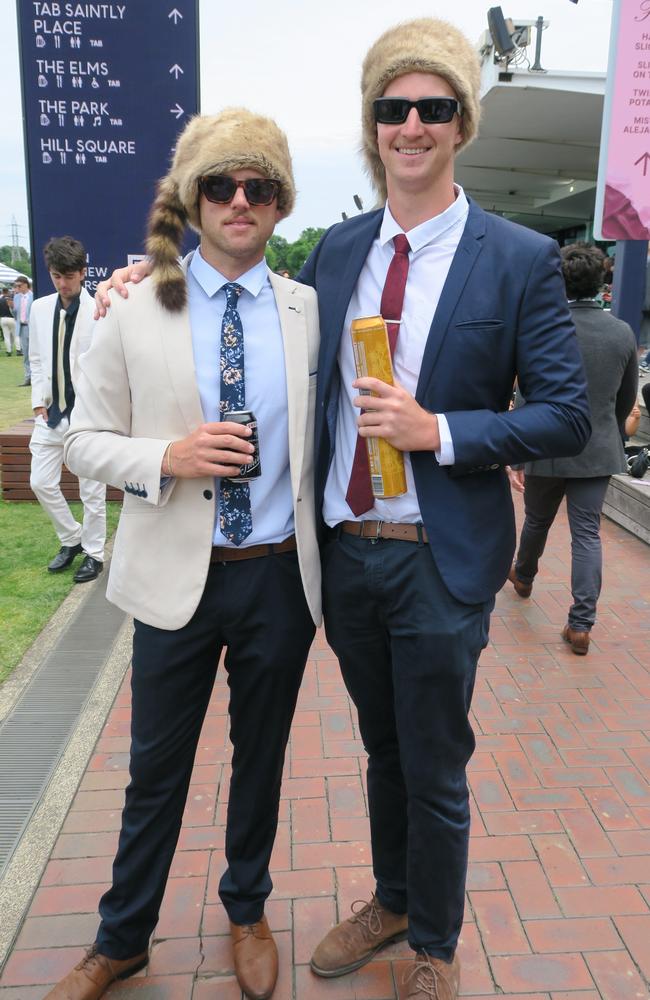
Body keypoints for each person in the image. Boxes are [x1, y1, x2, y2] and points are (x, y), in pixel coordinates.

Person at [94, 20, 590, 998]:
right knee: (380, 744)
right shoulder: (337, 251)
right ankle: (393, 895)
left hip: (441, 553)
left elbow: (563, 412)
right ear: (371, 126)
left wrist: (438, 431)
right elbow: (244, 308)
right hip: (345, 557)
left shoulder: (518, 256)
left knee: (435, 759)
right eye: (391, 108)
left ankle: (435, 945)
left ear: (459, 123)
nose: (410, 125)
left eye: (432, 107)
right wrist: (130, 287)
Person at [49, 109, 320, 1000]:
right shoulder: (129, 306)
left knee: (262, 758)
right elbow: (82, 438)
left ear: (279, 203)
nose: (239, 201)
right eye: (220, 185)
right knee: (154, 770)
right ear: (193, 199)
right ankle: (122, 935)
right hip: (175, 578)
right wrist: (165, 458)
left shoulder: (307, 309)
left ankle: (246, 908)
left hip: (278, 575)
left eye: (259, 187)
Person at [507, 243, 637, 655]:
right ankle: (581, 624)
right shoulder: (621, 331)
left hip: (546, 444)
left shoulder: (543, 328)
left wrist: (518, 454)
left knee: (536, 520)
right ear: (602, 281)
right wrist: (609, 433)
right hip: (596, 447)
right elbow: (626, 396)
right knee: (587, 534)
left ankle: (524, 576)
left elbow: (526, 394)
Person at [29, 237, 106, 582]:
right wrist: (36, 400)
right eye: (57, 276)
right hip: (49, 414)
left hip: (87, 416)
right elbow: (35, 357)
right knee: (40, 482)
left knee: (92, 490)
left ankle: (94, 553)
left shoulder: (100, 310)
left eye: (70, 276)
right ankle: (71, 538)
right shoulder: (39, 308)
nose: (63, 283)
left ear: (83, 273)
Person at [13, 275, 33, 383]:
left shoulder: (33, 296)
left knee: (34, 353)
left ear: (26, 284)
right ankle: (27, 377)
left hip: (32, 327)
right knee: (25, 354)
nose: (17, 288)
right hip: (22, 328)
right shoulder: (16, 297)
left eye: (19, 286)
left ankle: (36, 376)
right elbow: (15, 312)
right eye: (16, 286)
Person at [0, 287, 17, 358]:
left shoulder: (0, 300)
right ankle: (19, 349)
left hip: (3, 318)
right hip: (12, 319)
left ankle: (8, 351)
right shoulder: (12, 299)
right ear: (8, 292)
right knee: (15, 335)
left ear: (3, 292)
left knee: (6, 336)